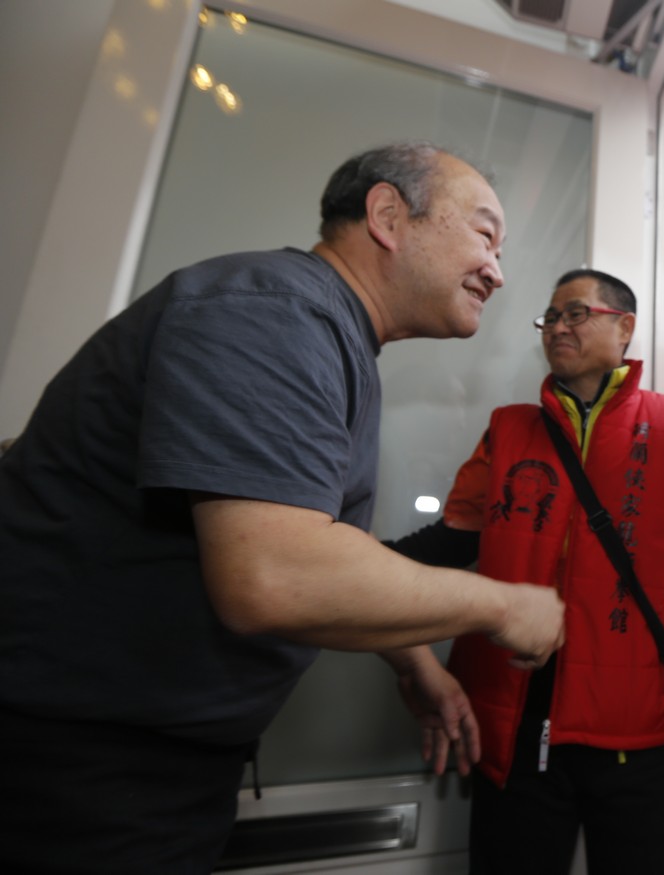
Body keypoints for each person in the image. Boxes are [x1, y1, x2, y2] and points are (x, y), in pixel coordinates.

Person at [0, 141, 567, 874]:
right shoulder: (274, 314)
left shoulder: (325, 332)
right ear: (388, 216)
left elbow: (309, 540)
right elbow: (276, 573)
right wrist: (503, 605)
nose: (497, 270)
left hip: (137, 761)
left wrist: (409, 660)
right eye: (485, 235)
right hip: (75, 768)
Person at [389, 268, 664, 874]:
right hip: (515, 731)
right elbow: (452, 541)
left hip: (642, 734)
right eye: (550, 317)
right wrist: (343, 555)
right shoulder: (508, 430)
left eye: (575, 313)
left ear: (624, 328)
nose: (557, 327)